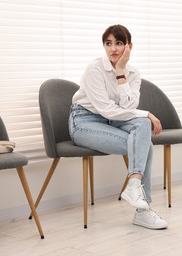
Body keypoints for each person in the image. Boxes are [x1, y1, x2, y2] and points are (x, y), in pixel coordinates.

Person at [68, 24, 168, 230]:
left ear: (129, 47)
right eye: (108, 43)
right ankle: (143, 210)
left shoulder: (133, 74)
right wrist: (147, 113)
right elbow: (107, 110)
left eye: (119, 43)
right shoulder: (95, 68)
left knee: (142, 126)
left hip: (112, 120)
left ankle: (133, 185)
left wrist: (121, 72)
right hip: (84, 122)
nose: (113, 49)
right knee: (145, 143)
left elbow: (128, 107)